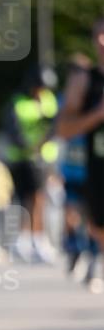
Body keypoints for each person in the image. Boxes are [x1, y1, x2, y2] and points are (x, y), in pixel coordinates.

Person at [56, 21, 104, 290]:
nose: (102, 42)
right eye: (98, 36)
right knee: (86, 221)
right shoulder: (86, 82)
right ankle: (83, 255)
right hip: (89, 168)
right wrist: (97, 114)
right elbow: (63, 129)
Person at [5, 72, 60, 263]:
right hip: (21, 157)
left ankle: (37, 239)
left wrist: (41, 144)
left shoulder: (49, 101)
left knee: (38, 198)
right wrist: (27, 146)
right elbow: (12, 129)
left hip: (42, 157)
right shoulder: (18, 102)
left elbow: (54, 125)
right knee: (23, 200)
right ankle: (24, 239)